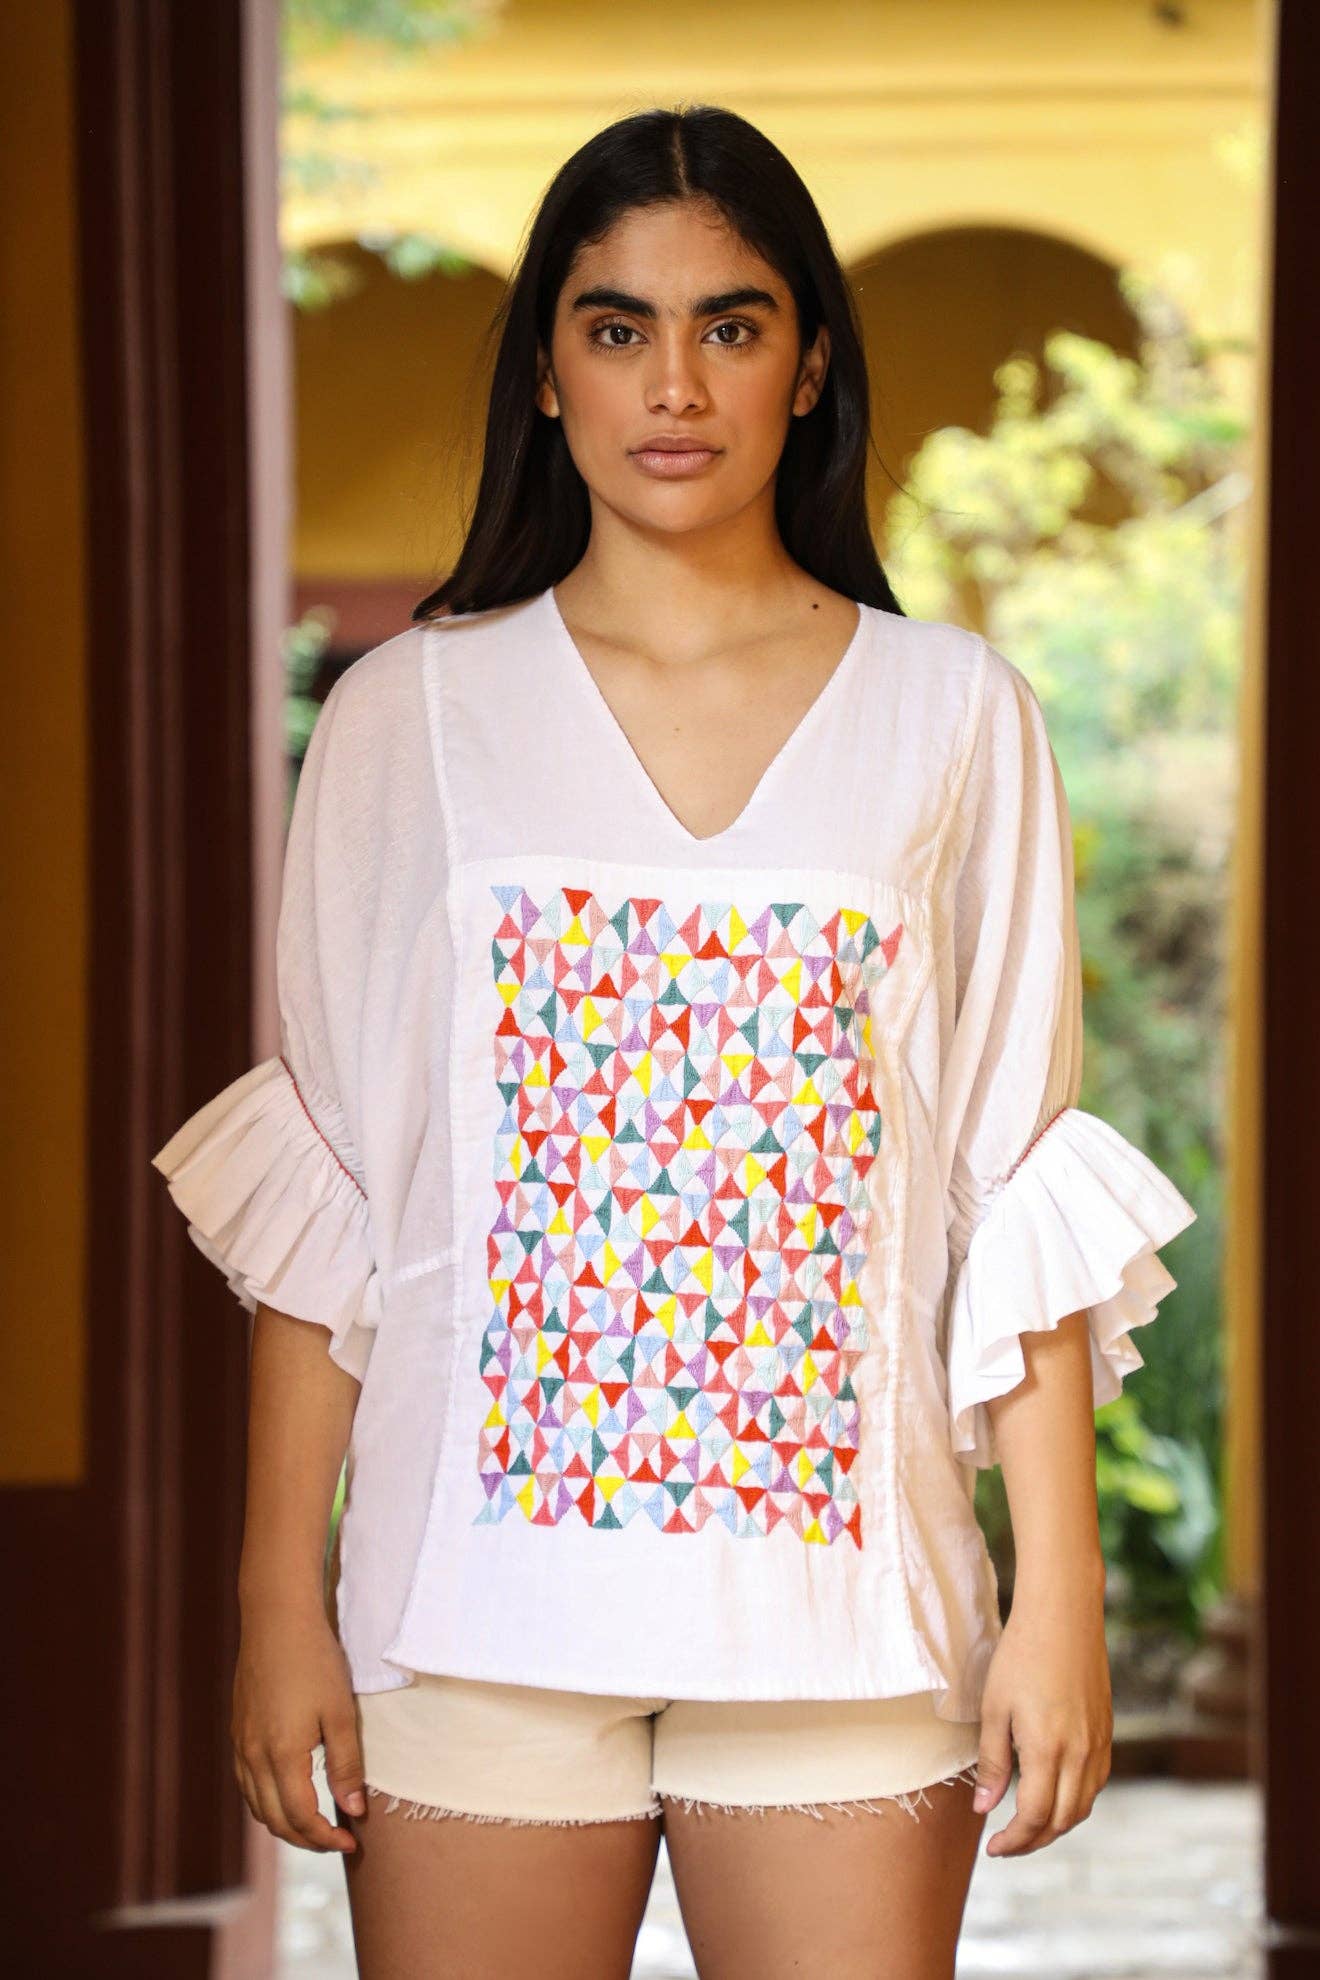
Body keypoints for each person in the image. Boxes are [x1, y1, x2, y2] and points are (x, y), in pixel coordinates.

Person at [151, 104, 1197, 1980]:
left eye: (732, 324)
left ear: (812, 366)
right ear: (548, 370)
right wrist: (273, 1599)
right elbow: (334, 1186)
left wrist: (1061, 1601)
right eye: (617, 325)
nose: (676, 384)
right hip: (465, 1613)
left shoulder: (954, 714)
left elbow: (1009, 1173)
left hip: (849, 1624)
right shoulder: (409, 718)